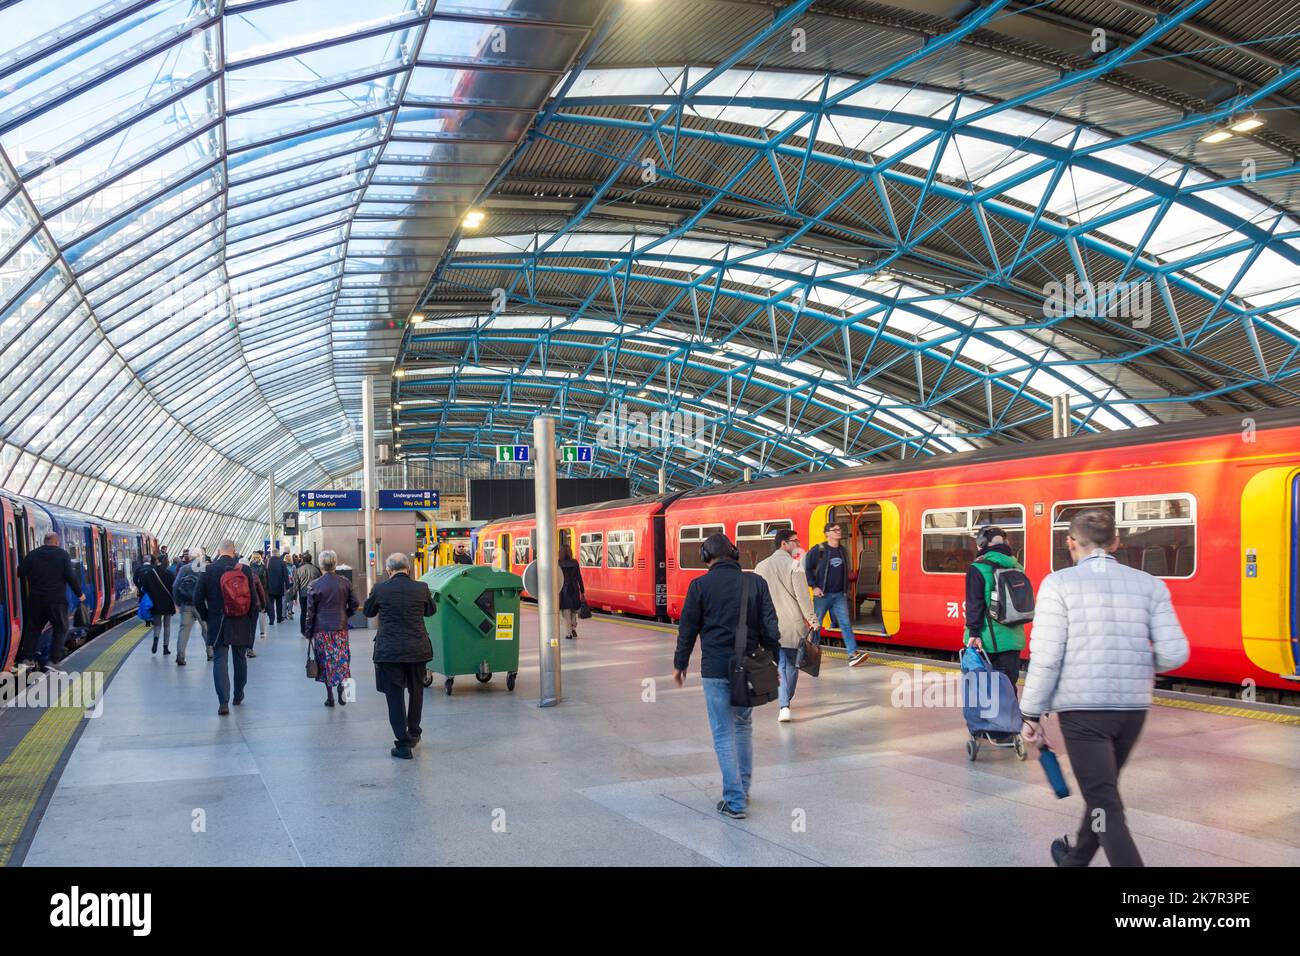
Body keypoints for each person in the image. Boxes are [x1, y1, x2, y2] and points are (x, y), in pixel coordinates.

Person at [1020, 509, 1189, 868]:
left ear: (1070, 542)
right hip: (1132, 710)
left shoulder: (1058, 583)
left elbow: (1047, 657)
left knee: (1105, 802)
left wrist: (1030, 713)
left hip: (1083, 713)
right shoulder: (1150, 584)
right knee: (1102, 793)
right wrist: (1138, 665)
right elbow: (1175, 652)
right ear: (1115, 543)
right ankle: (1075, 861)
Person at [673, 532, 781, 819]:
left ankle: (734, 801)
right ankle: (742, 790)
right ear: (734, 554)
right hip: (747, 669)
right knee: (743, 727)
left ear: (706, 557)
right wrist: (775, 663)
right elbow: (771, 627)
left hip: (715, 669)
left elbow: (687, 629)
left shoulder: (699, 586)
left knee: (723, 733)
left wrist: (680, 664)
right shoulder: (755, 582)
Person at [363, 553, 435, 759]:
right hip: (417, 650)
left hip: (390, 652)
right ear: (408, 568)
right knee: (416, 691)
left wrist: (373, 594)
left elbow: (368, 612)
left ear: (388, 570)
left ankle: (403, 745)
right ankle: (414, 732)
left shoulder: (380, 589)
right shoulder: (421, 587)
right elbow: (431, 611)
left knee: (394, 697)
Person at [964, 525, 1027, 742]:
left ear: (982, 544)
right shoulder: (1017, 566)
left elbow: (974, 603)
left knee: (984, 686)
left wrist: (973, 632)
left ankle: (988, 729)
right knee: (1008, 685)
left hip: (987, 641)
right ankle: (1007, 731)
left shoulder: (978, 568)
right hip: (1013, 639)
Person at [755, 529, 817, 723]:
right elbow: (803, 597)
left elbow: (756, 599)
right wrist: (813, 619)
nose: (797, 544)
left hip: (770, 625)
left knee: (782, 664)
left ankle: (785, 702)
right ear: (784, 544)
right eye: (794, 541)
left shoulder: (761, 566)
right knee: (791, 664)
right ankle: (785, 703)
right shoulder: (795, 565)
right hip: (792, 625)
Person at [194, 540, 260, 715]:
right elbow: (254, 600)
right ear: (234, 552)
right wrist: (250, 622)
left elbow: (197, 599)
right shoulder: (244, 570)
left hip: (218, 622)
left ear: (218, 551)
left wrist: (207, 616)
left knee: (219, 660)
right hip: (240, 620)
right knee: (240, 659)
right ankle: (238, 695)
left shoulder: (208, 570)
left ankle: (223, 702)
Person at [15, 532, 84, 672]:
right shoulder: (62, 555)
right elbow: (70, 576)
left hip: (36, 600)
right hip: (56, 600)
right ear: (57, 542)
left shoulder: (33, 554)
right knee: (61, 628)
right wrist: (80, 594)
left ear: (44, 541)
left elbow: (20, 572)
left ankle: (27, 659)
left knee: (33, 628)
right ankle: (53, 661)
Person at [804, 522, 867, 667]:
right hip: (822, 596)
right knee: (816, 625)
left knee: (845, 624)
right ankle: (810, 656)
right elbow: (807, 569)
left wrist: (846, 589)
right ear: (827, 533)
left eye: (839, 529)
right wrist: (814, 586)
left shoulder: (842, 550)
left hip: (839, 595)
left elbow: (844, 571)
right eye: (835, 530)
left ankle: (852, 655)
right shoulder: (818, 550)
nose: (839, 532)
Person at [305, 550, 356, 708]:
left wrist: (308, 631)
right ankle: (347, 693)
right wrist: (345, 615)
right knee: (343, 659)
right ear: (335, 564)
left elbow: (310, 612)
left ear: (321, 565)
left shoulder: (314, 585)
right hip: (340, 628)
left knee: (325, 662)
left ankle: (330, 698)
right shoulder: (345, 582)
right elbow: (354, 603)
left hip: (322, 629)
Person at [172, 549, 209, 665]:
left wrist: (178, 603)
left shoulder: (184, 569)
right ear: (200, 556)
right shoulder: (205, 568)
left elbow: (175, 586)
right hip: (202, 604)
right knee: (206, 629)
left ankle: (180, 656)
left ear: (190, 557)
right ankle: (210, 653)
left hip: (186, 604)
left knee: (184, 631)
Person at [134, 554, 177, 656]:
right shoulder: (170, 574)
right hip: (167, 603)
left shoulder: (150, 574)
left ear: (157, 561)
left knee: (157, 625)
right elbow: (174, 589)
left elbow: (144, 588)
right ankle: (165, 648)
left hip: (155, 603)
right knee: (167, 626)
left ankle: (155, 640)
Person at [558, 542, 585, 640]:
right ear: (570, 552)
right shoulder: (575, 562)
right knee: (574, 610)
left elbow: (557, 578)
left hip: (564, 589)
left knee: (566, 612)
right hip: (574, 588)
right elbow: (579, 577)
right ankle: (573, 627)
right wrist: (582, 591)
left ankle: (568, 633)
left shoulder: (558, 563)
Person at [294, 552, 321, 636]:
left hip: (303, 594)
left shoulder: (299, 570)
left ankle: (303, 630)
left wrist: (295, 597)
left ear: (302, 559)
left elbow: (296, 584)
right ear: (311, 559)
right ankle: (313, 628)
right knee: (314, 611)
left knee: (303, 611)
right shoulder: (316, 569)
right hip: (314, 593)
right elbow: (320, 582)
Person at [265, 550, 289, 627]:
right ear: (278, 554)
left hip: (270, 586)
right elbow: (286, 575)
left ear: (272, 554)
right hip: (279, 586)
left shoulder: (267, 562)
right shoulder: (282, 562)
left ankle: (271, 620)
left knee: (271, 604)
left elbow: (265, 574)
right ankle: (279, 618)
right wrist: (288, 586)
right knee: (279, 603)